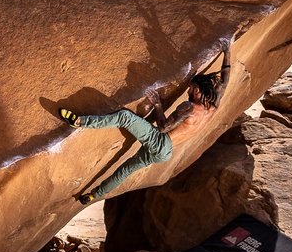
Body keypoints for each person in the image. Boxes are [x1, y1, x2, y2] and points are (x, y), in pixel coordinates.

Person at [58, 44, 231, 204]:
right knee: (125, 171)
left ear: (197, 90)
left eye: (191, 88)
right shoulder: (213, 106)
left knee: (124, 117)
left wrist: (157, 104)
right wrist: (227, 50)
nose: (188, 91)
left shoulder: (189, 107)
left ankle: (79, 121)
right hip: (165, 153)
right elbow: (225, 79)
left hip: (161, 141)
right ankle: (94, 195)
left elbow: (163, 127)